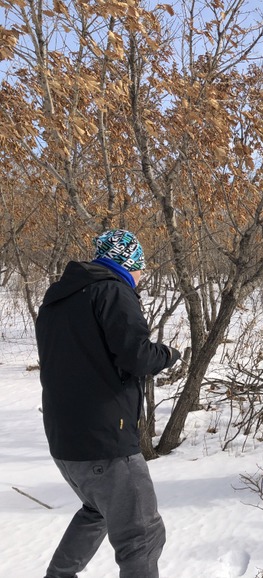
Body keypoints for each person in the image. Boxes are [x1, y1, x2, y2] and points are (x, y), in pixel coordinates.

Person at [35, 229, 181, 578]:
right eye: (140, 267)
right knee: (141, 536)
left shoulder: (57, 299)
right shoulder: (113, 290)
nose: (142, 275)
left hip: (65, 441)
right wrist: (168, 353)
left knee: (96, 511)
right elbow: (137, 357)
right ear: (127, 263)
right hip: (106, 443)